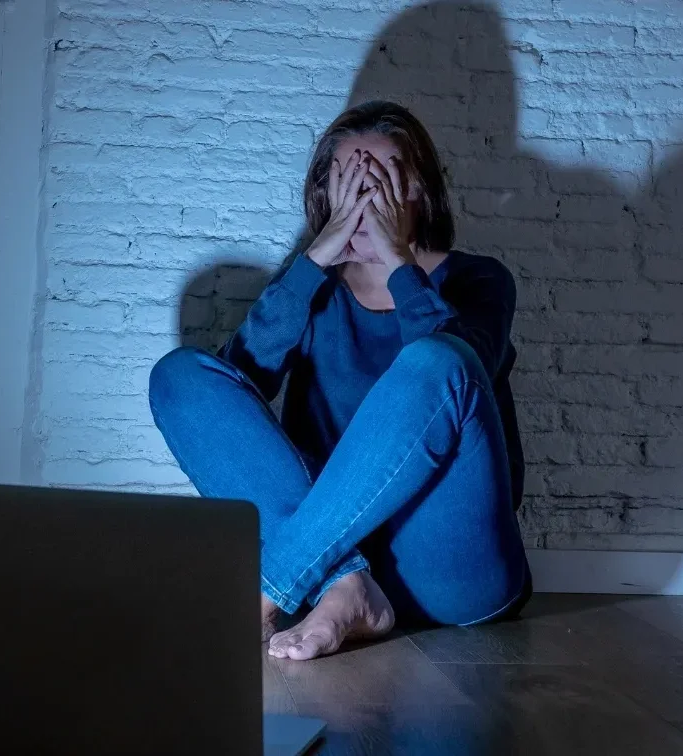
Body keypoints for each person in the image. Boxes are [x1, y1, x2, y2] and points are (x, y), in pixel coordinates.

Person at [149, 100, 531, 661]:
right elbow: (235, 390)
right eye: (351, 180)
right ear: (327, 195)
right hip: (333, 559)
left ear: (419, 190)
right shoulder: (311, 288)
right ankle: (347, 587)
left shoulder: (480, 280)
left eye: (383, 178)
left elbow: (457, 367)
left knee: (437, 361)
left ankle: (265, 592)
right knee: (179, 376)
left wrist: (399, 262)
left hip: (448, 565)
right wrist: (315, 257)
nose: (365, 196)